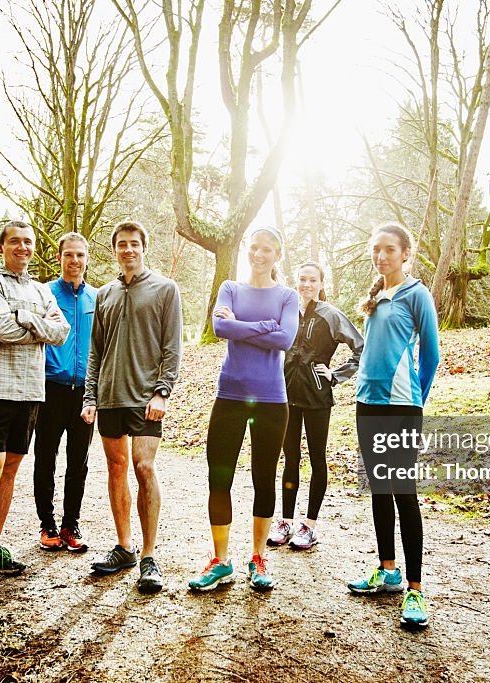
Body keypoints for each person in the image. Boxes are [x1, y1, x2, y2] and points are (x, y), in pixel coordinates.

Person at [188, 226, 299, 593]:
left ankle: (257, 557)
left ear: (277, 255)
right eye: (253, 248)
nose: (258, 254)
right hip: (230, 395)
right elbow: (220, 328)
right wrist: (263, 326)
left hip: (271, 399)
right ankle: (221, 561)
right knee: (219, 477)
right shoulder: (230, 289)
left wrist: (241, 326)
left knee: (264, 478)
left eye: (267, 249)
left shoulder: (287, 296)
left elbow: (285, 338)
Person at [346, 223, 440, 630]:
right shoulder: (375, 297)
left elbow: (431, 355)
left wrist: (413, 399)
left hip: (401, 407)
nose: (381, 256)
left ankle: (415, 589)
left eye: (389, 250)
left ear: (405, 253)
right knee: (379, 488)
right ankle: (388, 571)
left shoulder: (416, 294)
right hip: (366, 404)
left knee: (403, 491)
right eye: (377, 250)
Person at [80, 221, 182, 594]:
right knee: (117, 467)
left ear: (144, 247)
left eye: (134, 244)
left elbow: (172, 346)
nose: (128, 250)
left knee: (143, 466)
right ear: (115, 250)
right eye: (122, 244)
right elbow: (95, 352)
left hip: (145, 398)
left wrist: (163, 392)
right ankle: (124, 546)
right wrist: (90, 397)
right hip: (109, 397)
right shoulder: (104, 294)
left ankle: (149, 555)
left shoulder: (165, 289)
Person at [0, 220, 70, 597]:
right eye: (15, 242)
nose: (23, 248)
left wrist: (25, 318)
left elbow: (62, 334)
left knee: (10, 471)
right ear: (2, 247)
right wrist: (36, 322)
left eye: (28, 242)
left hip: (30, 391)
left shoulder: (41, 289)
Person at [269, 261, 363, 550]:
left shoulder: (331, 315)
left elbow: (361, 346)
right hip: (287, 395)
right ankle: (285, 521)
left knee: (317, 458)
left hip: (318, 397)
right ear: (296, 282)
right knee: (290, 457)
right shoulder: (288, 313)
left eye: (312, 280)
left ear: (321, 284)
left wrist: (336, 375)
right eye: (302, 280)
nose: (307, 284)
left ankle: (309, 526)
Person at [34, 232, 97, 552]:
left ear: (87, 259)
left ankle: (71, 524)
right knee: (45, 457)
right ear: (59, 258)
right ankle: (47, 524)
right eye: (69, 255)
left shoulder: (97, 298)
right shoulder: (43, 293)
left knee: (79, 461)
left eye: (80, 255)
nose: (74, 261)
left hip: (85, 392)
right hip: (49, 388)